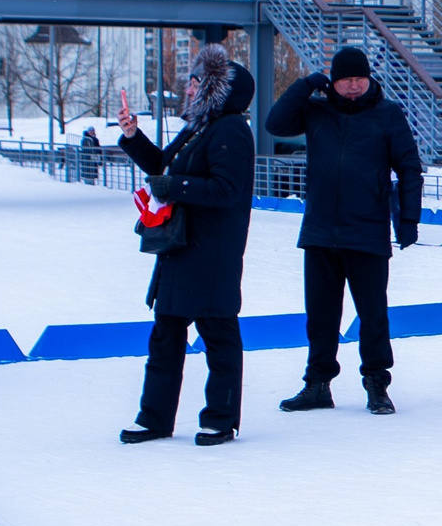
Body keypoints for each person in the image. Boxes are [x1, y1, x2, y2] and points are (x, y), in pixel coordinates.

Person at [267, 46, 423, 416]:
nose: (353, 87)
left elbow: (409, 167)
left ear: (368, 79)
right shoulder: (317, 111)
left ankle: (376, 385)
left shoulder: (387, 114)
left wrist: (408, 220)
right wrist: (305, 84)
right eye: (344, 80)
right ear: (333, 82)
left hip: (367, 231)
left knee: (373, 314)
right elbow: (276, 124)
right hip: (321, 230)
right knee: (320, 315)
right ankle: (317, 384)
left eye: (358, 79)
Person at [115, 44, 256, 445]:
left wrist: (173, 187)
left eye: (196, 82)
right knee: (166, 334)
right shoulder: (200, 126)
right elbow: (164, 165)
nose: (188, 88)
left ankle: (220, 418)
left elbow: (226, 190)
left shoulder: (231, 130)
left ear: (216, 89)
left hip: (211, 251)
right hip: (180, 247)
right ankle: (154, 418)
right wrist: (132, 136)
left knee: (218, 335)